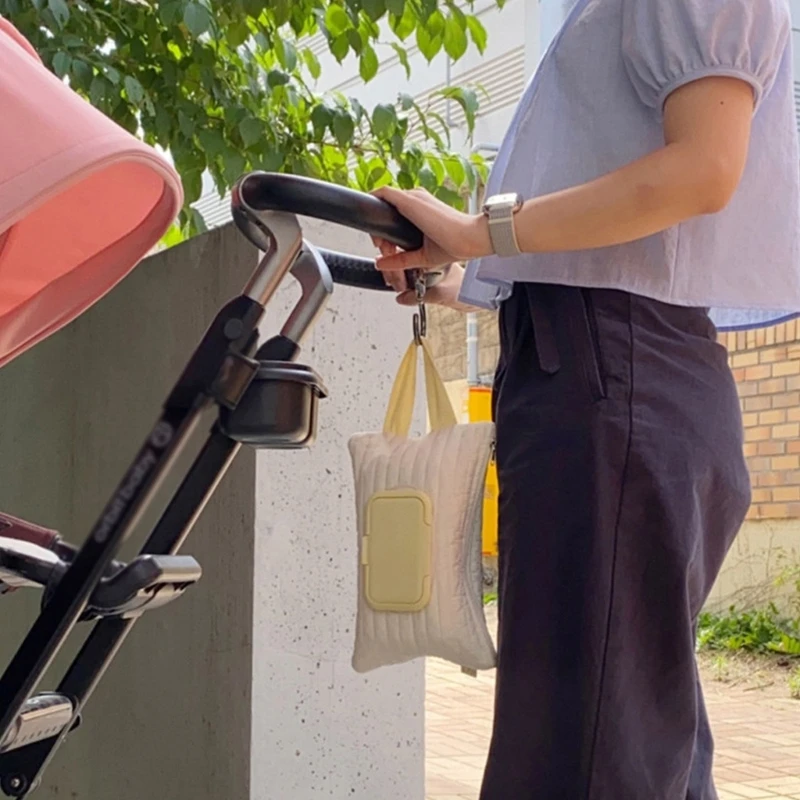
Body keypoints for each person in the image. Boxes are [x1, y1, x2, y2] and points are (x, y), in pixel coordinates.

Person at [371, 0, 800, 797]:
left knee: (588, 747)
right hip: (608, 368)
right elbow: (631, 248)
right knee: (621, 729)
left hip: (615, 378)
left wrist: (479, 232)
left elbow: (703, 170)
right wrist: (463, 273)